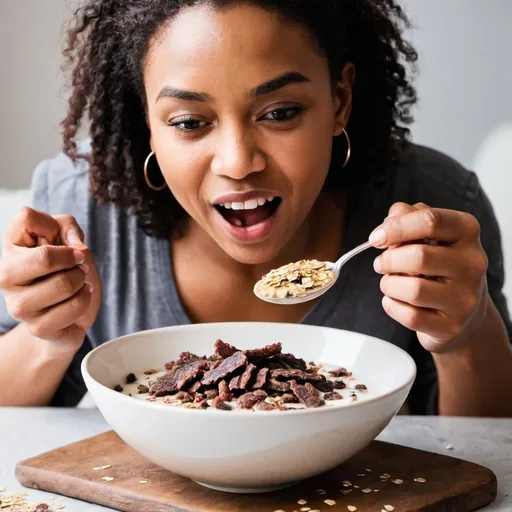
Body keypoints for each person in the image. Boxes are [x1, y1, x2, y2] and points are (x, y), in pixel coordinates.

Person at [0, 0, 511, 414]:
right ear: (147, 123)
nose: (239, 162)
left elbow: (488, 449)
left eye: (281, 113)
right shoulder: (80, 207)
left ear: (340, 100)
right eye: (188, 122)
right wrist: (47, 338)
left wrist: (467, 335)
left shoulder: (437, 204)